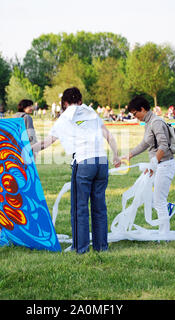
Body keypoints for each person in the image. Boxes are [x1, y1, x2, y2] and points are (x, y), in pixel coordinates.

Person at [32, 87, 121, 254]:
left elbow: (46, 142)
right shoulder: (92, 112)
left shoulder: (64, 118)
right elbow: (109, 136)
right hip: (102, 162)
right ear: (80, 100)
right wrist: (116, 155)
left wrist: (28, 149)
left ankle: (81, 248)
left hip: (84, 162)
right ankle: (102, 247)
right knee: (99, 207)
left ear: (64, 103)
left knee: (80, 208)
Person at [121, 95, 175, 235]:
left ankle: (164, 236)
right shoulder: (148, 122)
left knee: (158, 201)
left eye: (135, 113)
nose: (135, 117)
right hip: (158, 165)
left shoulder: (156, 122)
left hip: (165, 165)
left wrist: (153, 164)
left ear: (143, 109)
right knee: (147, 196)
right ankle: (168, 208)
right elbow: (145, 143)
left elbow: (163, 145)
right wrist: (129, 155)